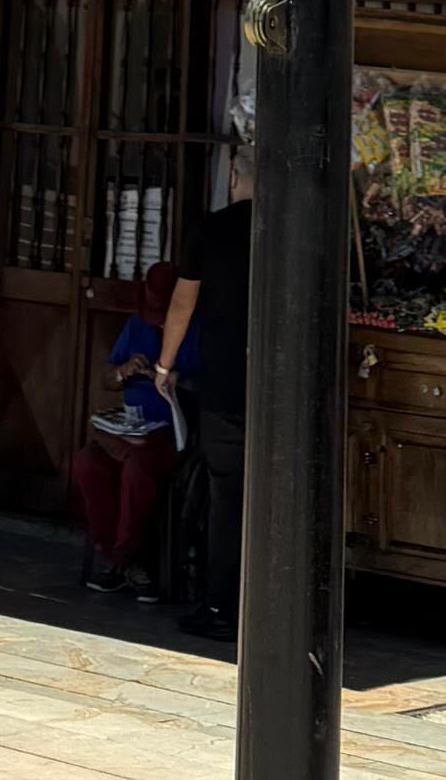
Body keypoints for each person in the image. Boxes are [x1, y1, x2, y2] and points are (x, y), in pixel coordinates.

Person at [154, 140, 253, 639]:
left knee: (226, 496)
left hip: (225, 382)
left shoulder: (210, 230)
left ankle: (221, 607)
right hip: (280, 386)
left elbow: (181, 304)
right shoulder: (289, 229)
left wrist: (164, 364)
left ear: (234, 177)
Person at [71, 261, 182, 599]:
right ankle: (115, 554)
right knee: (88, 462)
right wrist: (124, 371)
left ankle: (122, 561)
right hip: (131, 426)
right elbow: (107, 378)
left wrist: (174, 380)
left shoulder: (193, 331)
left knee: (138, 468)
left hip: (169, 434)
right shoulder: (136, 327)